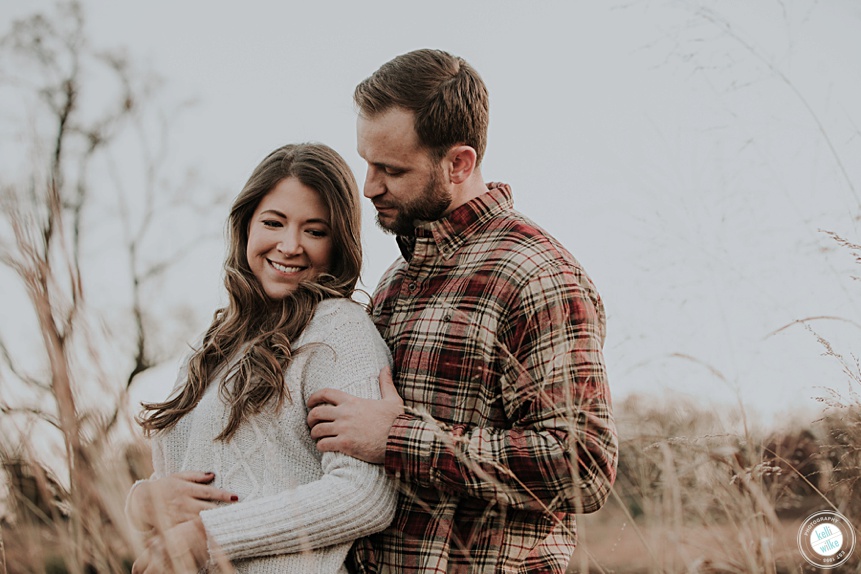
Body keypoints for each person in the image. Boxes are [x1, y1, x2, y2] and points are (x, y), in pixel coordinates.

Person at [306, 49, 619, 573]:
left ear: (459, 163)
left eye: (391, 169)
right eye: (366, 161)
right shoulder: (395, 283)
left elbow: (582, 465)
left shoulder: (536, 276)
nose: (368, 186)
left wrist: (398, 438)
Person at [126, 143, 397, 573]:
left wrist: (210, 537)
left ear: (338, 241)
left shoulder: (339, 330)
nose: (290, 245)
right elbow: (188, 477)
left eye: (314, 230)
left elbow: (365, 496)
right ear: (246, 225)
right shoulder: (213, 344)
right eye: (274, 222)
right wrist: (141, 503)